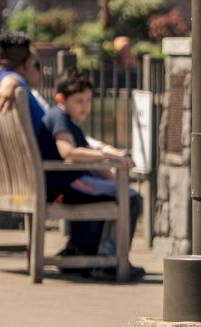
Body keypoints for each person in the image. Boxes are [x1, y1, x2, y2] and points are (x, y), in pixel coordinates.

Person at [42, 69, 141, 280]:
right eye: (79, 101)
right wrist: (108, 156)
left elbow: (95, 164)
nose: (85, 106)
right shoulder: (59, 117)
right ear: (61, 99)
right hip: (65, 184)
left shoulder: (68, 120)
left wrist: (116, 182)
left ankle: (80, 252)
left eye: (88, 100)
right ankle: (109, 260)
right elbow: (68, 152)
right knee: (131, 198)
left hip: (70, 182)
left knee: (123, 193)